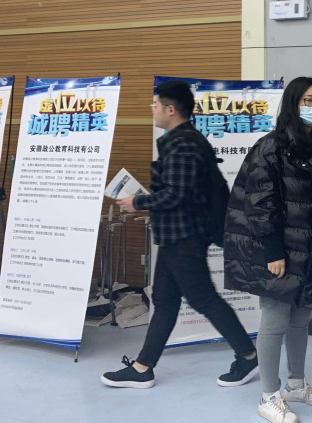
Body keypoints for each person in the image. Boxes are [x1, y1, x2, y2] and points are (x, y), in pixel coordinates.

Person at [102, 80, 258, 389]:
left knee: (203, 298)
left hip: (184, 236)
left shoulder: (182, 144)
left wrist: (137, 202)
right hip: (177, 235)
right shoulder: (183, 140)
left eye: (156, 106)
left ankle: (248, 357)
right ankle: (143, 367)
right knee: (165, 299)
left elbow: (177, 194)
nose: (153, 110)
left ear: (171, 110)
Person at [224, 77, 312, 423]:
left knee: (301, 318)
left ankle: (296, 384)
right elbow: (259, 204)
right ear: (293, 103)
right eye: (308, 100)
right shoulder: (272, 147)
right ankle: (269, 395)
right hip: (280, 250)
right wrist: (272, 251)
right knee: (275, 319)